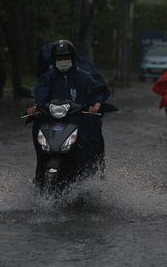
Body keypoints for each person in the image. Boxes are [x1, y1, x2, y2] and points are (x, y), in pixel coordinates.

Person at [27, 39, 109, 182]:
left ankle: (93, 171)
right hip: (53, 120)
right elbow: (40, 96)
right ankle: (40, 173)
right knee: (37, 129)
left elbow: (97, 91)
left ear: (72, 58)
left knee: (93, 133)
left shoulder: (83, 76)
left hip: (78, 119)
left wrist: (95, 104)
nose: (63, 61)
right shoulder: (48, 77)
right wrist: (35, 107)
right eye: (59, 58)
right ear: (54, 60)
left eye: (66, 57)